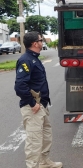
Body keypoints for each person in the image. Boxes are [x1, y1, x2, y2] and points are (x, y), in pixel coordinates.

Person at [14, 31, 62, 168]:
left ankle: (44, 162)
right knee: (34, 141)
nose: (42, 42)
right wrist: (32, 103)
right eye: (41, 40)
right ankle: (33, 166)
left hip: (42, 105)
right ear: (35, 43)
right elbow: (20, 86)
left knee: (46, 136)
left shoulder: (34, 58)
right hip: (33, 107)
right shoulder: (26, 60)